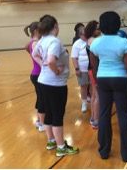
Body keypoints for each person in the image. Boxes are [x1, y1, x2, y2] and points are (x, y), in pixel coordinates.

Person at [89, 11, 127, 162]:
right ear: (118, 24)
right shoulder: (124, 42)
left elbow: (94, 66)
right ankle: (126, 153)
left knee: (104, 115)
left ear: (102, 25)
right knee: (123, 114)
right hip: (120, 79)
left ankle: (104, 151)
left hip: (103, 79)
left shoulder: (95, 43)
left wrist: (100, 82)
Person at [32, 15, 79, 156]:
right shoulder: (54, 41)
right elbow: (52, 60)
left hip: (43, 82)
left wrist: (43, 65)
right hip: (55, 84)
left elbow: (34, 55)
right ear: (55, 27)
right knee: (57, 115)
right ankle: (61, 147)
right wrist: (56, 70)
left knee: (49, 113)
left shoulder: (41, 40)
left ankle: (51, 141)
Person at [24, 21, 45, 132]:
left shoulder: (33, 42)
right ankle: (41, 123)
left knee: (40, 97)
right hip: (38, 74)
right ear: (36, 31)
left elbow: (26, 47)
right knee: (42, 99)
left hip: (36, 74)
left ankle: (38, 120)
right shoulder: (36, 43)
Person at [84, 20, 101, 129]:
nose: (99, 30)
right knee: (97, 95)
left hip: (91, 69)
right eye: (97, 28)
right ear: (92, 30)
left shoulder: (90, 40)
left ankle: (93, 117)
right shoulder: (94, 41)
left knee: (94, 94)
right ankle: (96, 121)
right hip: (95, 70)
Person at [71, 27, 90, 113]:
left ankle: (93, 101)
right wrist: (77, 69)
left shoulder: (91, 41)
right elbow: (74, 57)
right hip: (82, 69)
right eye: (83, 34)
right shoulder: (77, 44)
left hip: (92, 68)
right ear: (79, 35)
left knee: (93, 86)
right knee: (83, 86)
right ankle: (84, 103)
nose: (85, 35)